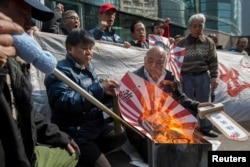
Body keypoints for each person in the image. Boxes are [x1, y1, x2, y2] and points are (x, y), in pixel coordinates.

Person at [0, 0, 80, 167]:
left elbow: (25, 111)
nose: (29, 26)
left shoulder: (14, 64)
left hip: (25, 154)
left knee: (70, 154)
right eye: (23, 14)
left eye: (32, 19)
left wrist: (59, 136)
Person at [45, 28, 127, 167]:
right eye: (84, 48)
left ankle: (88, 158)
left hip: (93, 127)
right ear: (70, 49)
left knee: (121, 134)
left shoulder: (89, 68)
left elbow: (93, 99)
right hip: (76, 132)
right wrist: (100, 88)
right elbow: (66, 103)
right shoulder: (58, 72)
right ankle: (82, 155)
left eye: (91, 48)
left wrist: (107, 94)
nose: (89, 52)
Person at [126, 46, 214, 163]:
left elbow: (180, 97)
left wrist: (197, 105)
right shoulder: (133, 80)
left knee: (190, 150)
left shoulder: (170, 77)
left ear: (165, 63)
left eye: (159, 62)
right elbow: (129, 112)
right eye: (150, 60)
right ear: (144, 59)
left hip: (169, 124)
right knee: (160, 156)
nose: (153, 66)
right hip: (145, 130)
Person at [176, 13, 219, 138]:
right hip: (186, 77)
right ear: (190, 27)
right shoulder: (181, 43)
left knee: (204, 102)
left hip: (202, 76)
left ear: (203, 27)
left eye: (200, 26)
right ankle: (188, 128)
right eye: (195, 26)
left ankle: (206, 128)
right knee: (188, 103)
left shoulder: (209, 42)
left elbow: (213, 61)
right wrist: (178, 76)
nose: (197, 28)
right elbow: (174, 62)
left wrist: (214, 76)